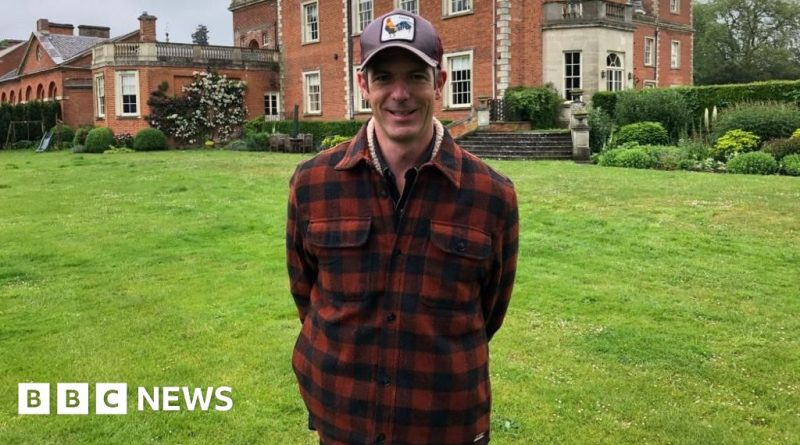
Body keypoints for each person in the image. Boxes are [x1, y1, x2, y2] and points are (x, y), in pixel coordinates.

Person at [286, 9, 519, 445]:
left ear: (439, 82)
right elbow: (308, 295)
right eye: (383, 78)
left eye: (415, 76)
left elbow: (490, 310)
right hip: (343, 415)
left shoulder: (491, 194)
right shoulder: (313, 183)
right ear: (363, 85)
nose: (400, 94)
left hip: (443, 421)